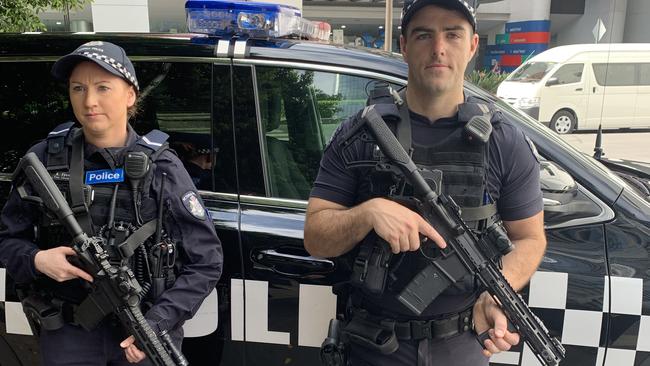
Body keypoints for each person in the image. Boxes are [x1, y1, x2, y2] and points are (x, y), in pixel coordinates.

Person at [304, 0, 546, 365]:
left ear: (473, 45)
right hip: (373, 346)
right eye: (423, 34)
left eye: (452, 34)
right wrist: (370, 212)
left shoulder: (504, 142)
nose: (438, 48)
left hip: (462, 345)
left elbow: (530, 237)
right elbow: (316, 236)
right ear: (403, 44)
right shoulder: (359, 134)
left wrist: (495, 295)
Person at [0, 41, 223, 365]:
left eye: (103, 87)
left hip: (143, 333)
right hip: (68, 335)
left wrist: (157, 323)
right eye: (78, 88)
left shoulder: (162, 167)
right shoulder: (45, 159)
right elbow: (7, 239)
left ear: (130, 95)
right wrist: (37, 260)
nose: (89, 101)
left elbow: (207, 261)